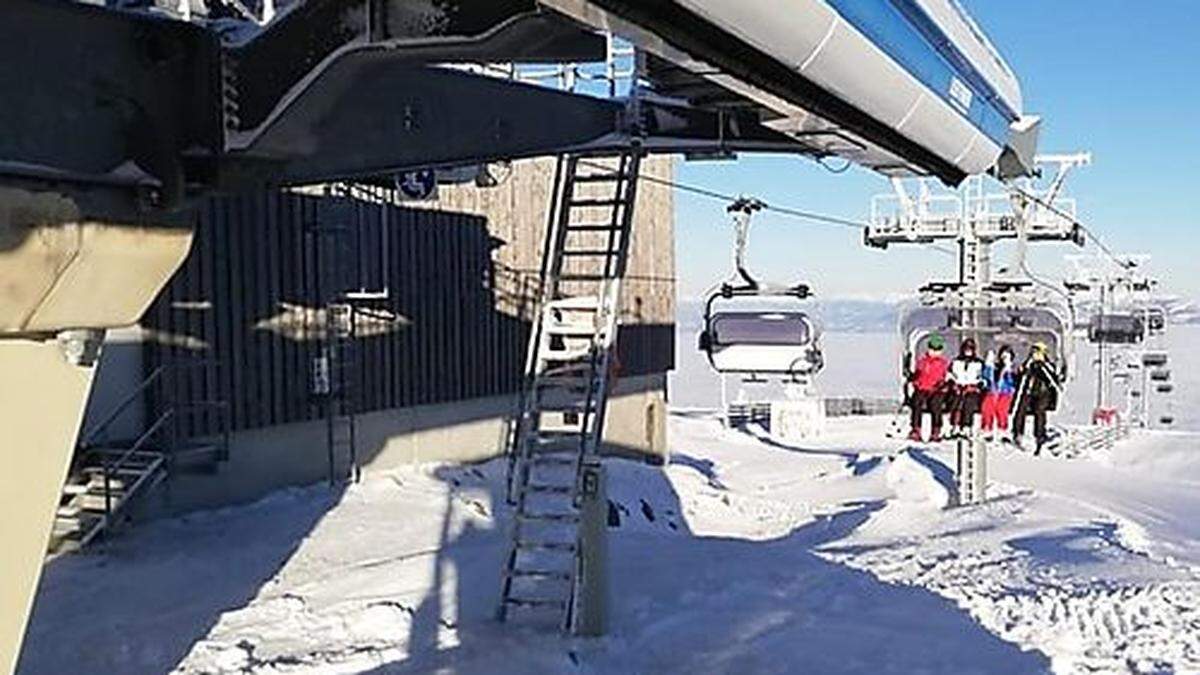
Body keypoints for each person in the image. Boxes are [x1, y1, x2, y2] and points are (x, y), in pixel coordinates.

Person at [1012, 342, 1062, 454]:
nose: (1035, 355)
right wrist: (1025, 369)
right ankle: (1017, 432)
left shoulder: (1048, 365)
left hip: (1043, 392)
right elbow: (1022, 374)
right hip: (1029, 391)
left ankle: (1040, 435)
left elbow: (1052, 377)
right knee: (1021, 408)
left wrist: (1041, 366)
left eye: (1038, 352)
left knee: (1040, 411)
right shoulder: (1029, 363)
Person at [908, 334, 951, 442]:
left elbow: (946, 376)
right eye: (933, 349)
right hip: (923, 388)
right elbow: (919, 374)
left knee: (936, 404)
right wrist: (915, 379)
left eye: (937, 349)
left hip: (936, 389)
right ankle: (916, 428)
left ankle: (936, 430)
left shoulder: (943, 363)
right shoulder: (923, 362)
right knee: (917, 402)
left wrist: (943, 384)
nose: (935, 352)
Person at [949, 338, 986, 438]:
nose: (968, 351)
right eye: (966, 348)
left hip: (972, 388)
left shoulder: (979, 363)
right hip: (958, 386)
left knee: (969, 403)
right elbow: (950, 375)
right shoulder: (956, 361)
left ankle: (966, 426)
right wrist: (953, 384)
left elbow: (984, 378)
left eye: (970, 348)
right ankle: (954, 426)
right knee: (956, 403)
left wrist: (977, 386)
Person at [981, 346, 1017, 441]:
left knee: (1002, 409)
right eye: (1002, 355)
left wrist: (1008, 370)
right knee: (987, 407)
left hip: (1005, 392)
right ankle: (987, 428)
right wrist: (988, 365)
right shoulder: (995, 366)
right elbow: (987, 376)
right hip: (993, 391)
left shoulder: (1012, 368)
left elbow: (1012, 381)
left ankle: (1003, 429)